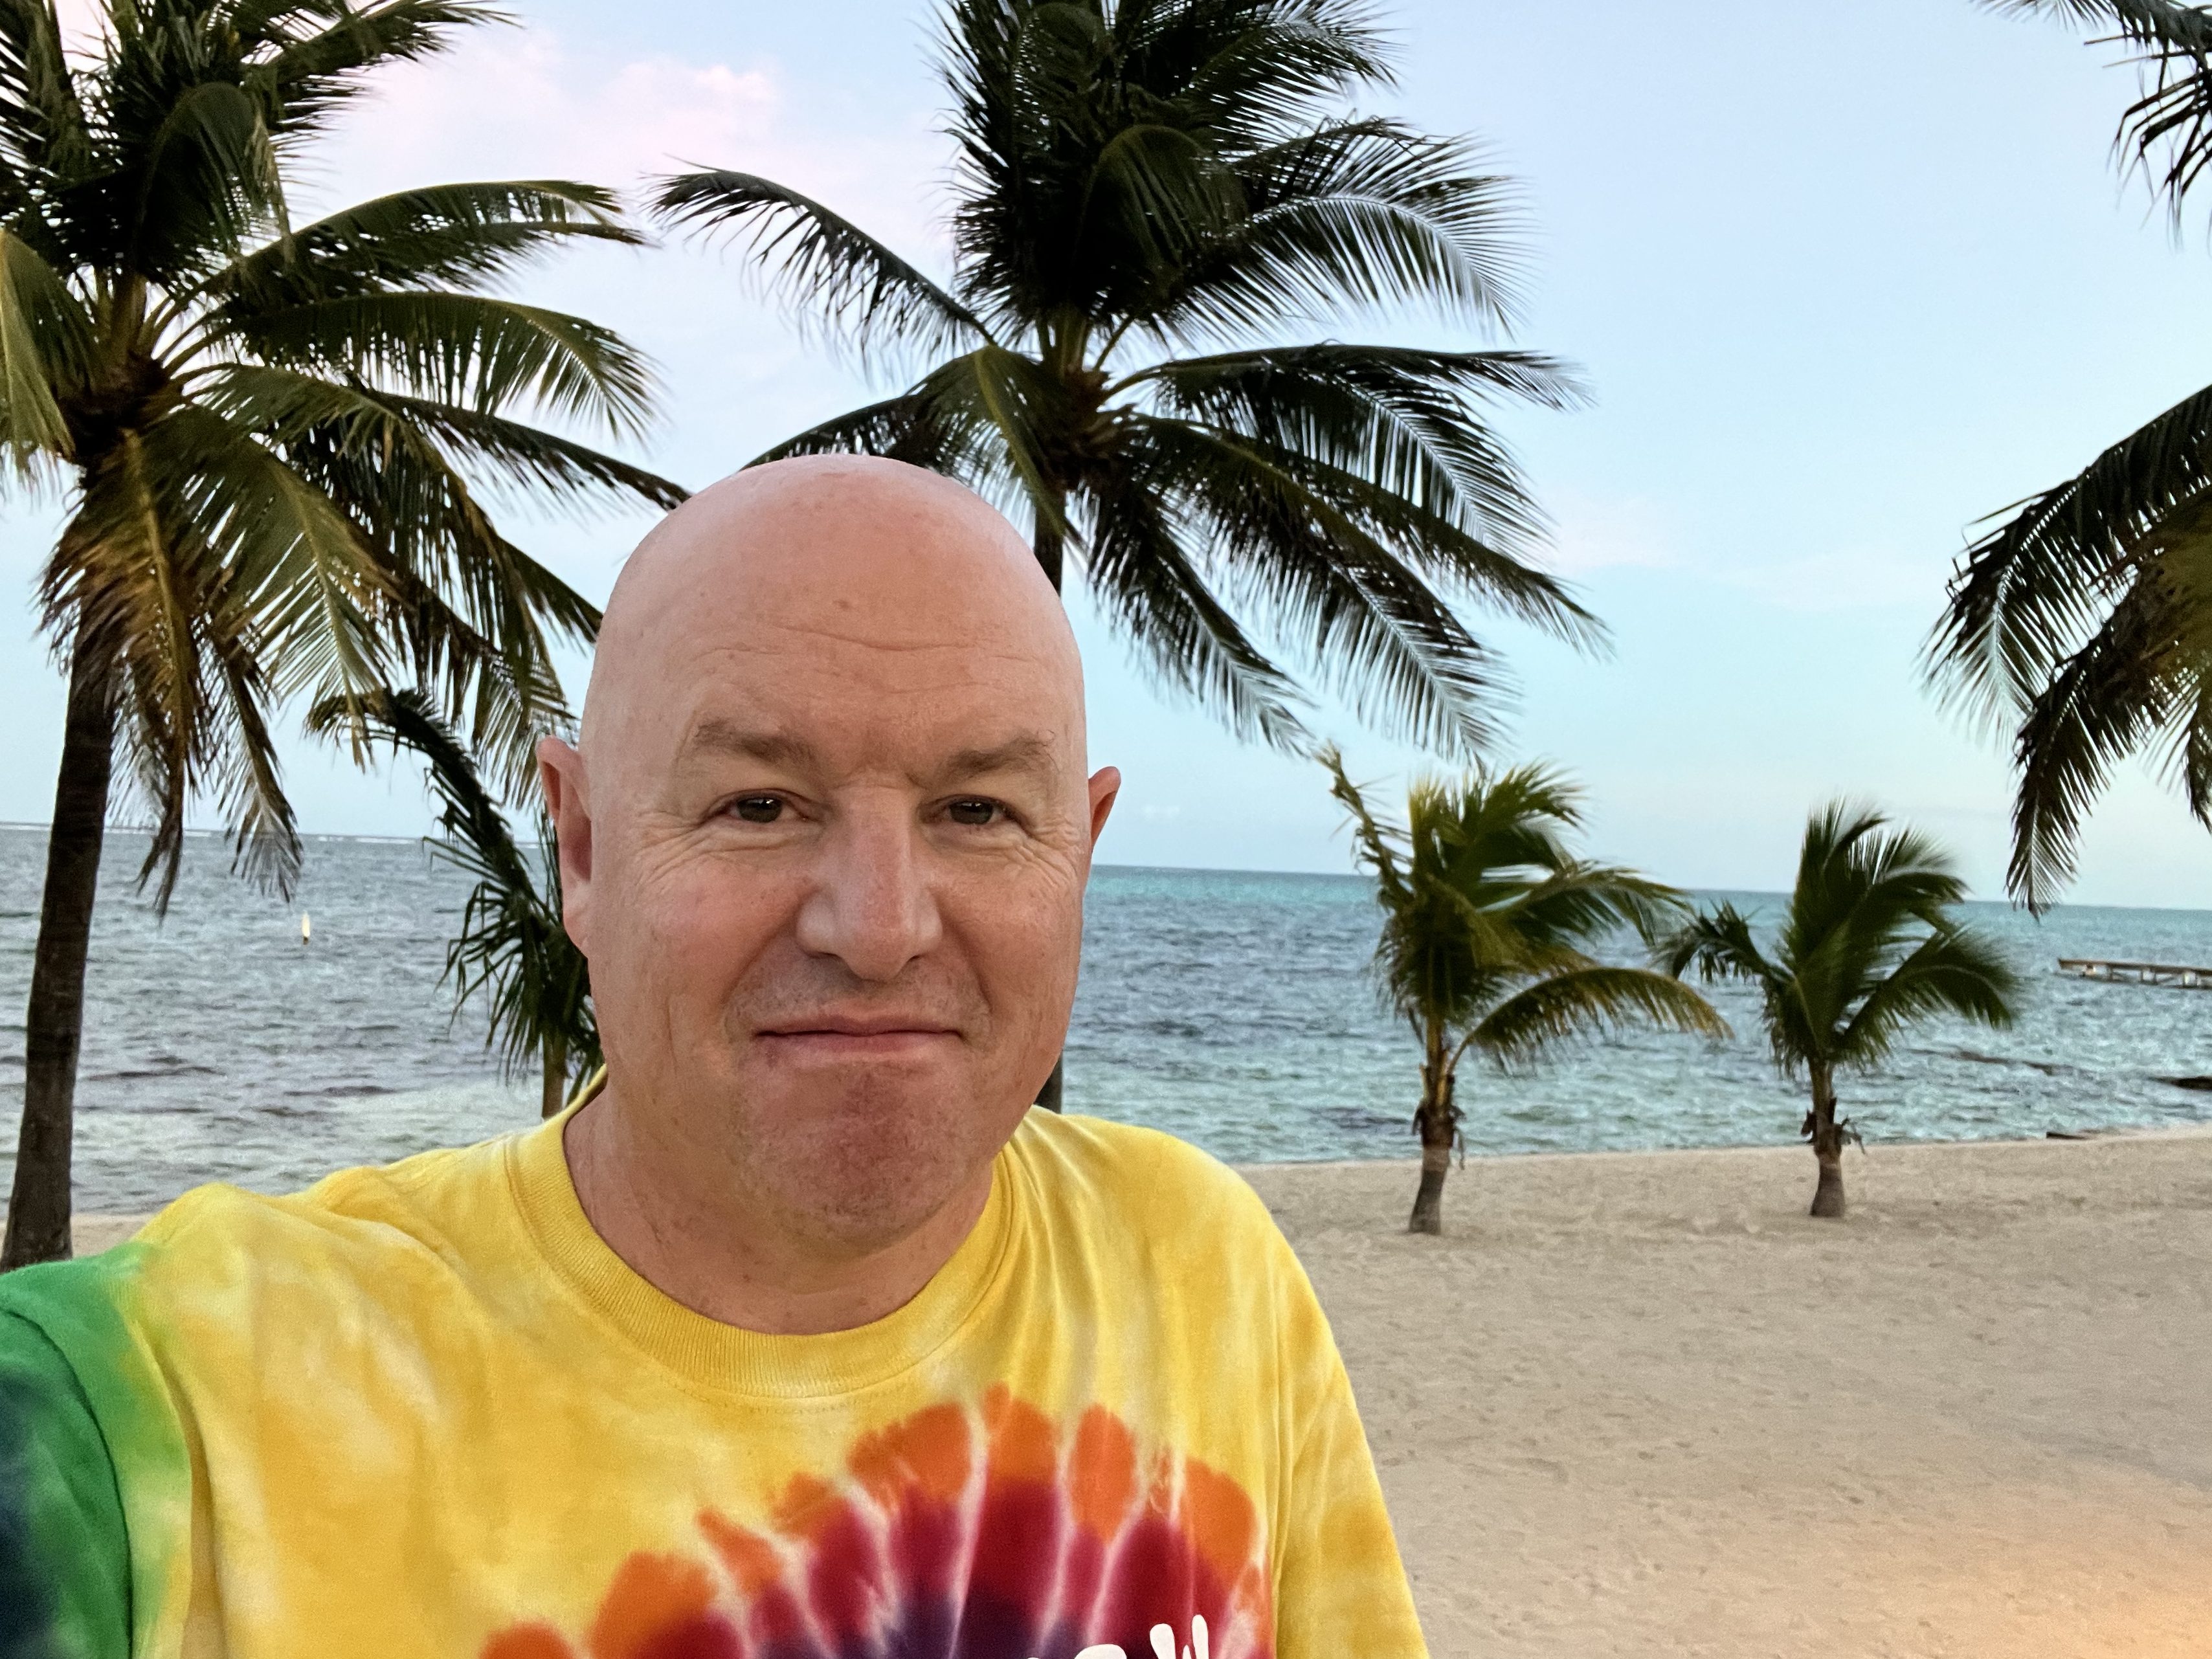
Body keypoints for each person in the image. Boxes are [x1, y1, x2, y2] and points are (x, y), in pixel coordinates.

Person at [0, 457, 1427, 1659]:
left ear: (1083, 849)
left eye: (978, 810)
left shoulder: (1199, 1269)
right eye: (758, 802)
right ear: (582, 843)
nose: (877, 926)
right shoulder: (172, 1405)